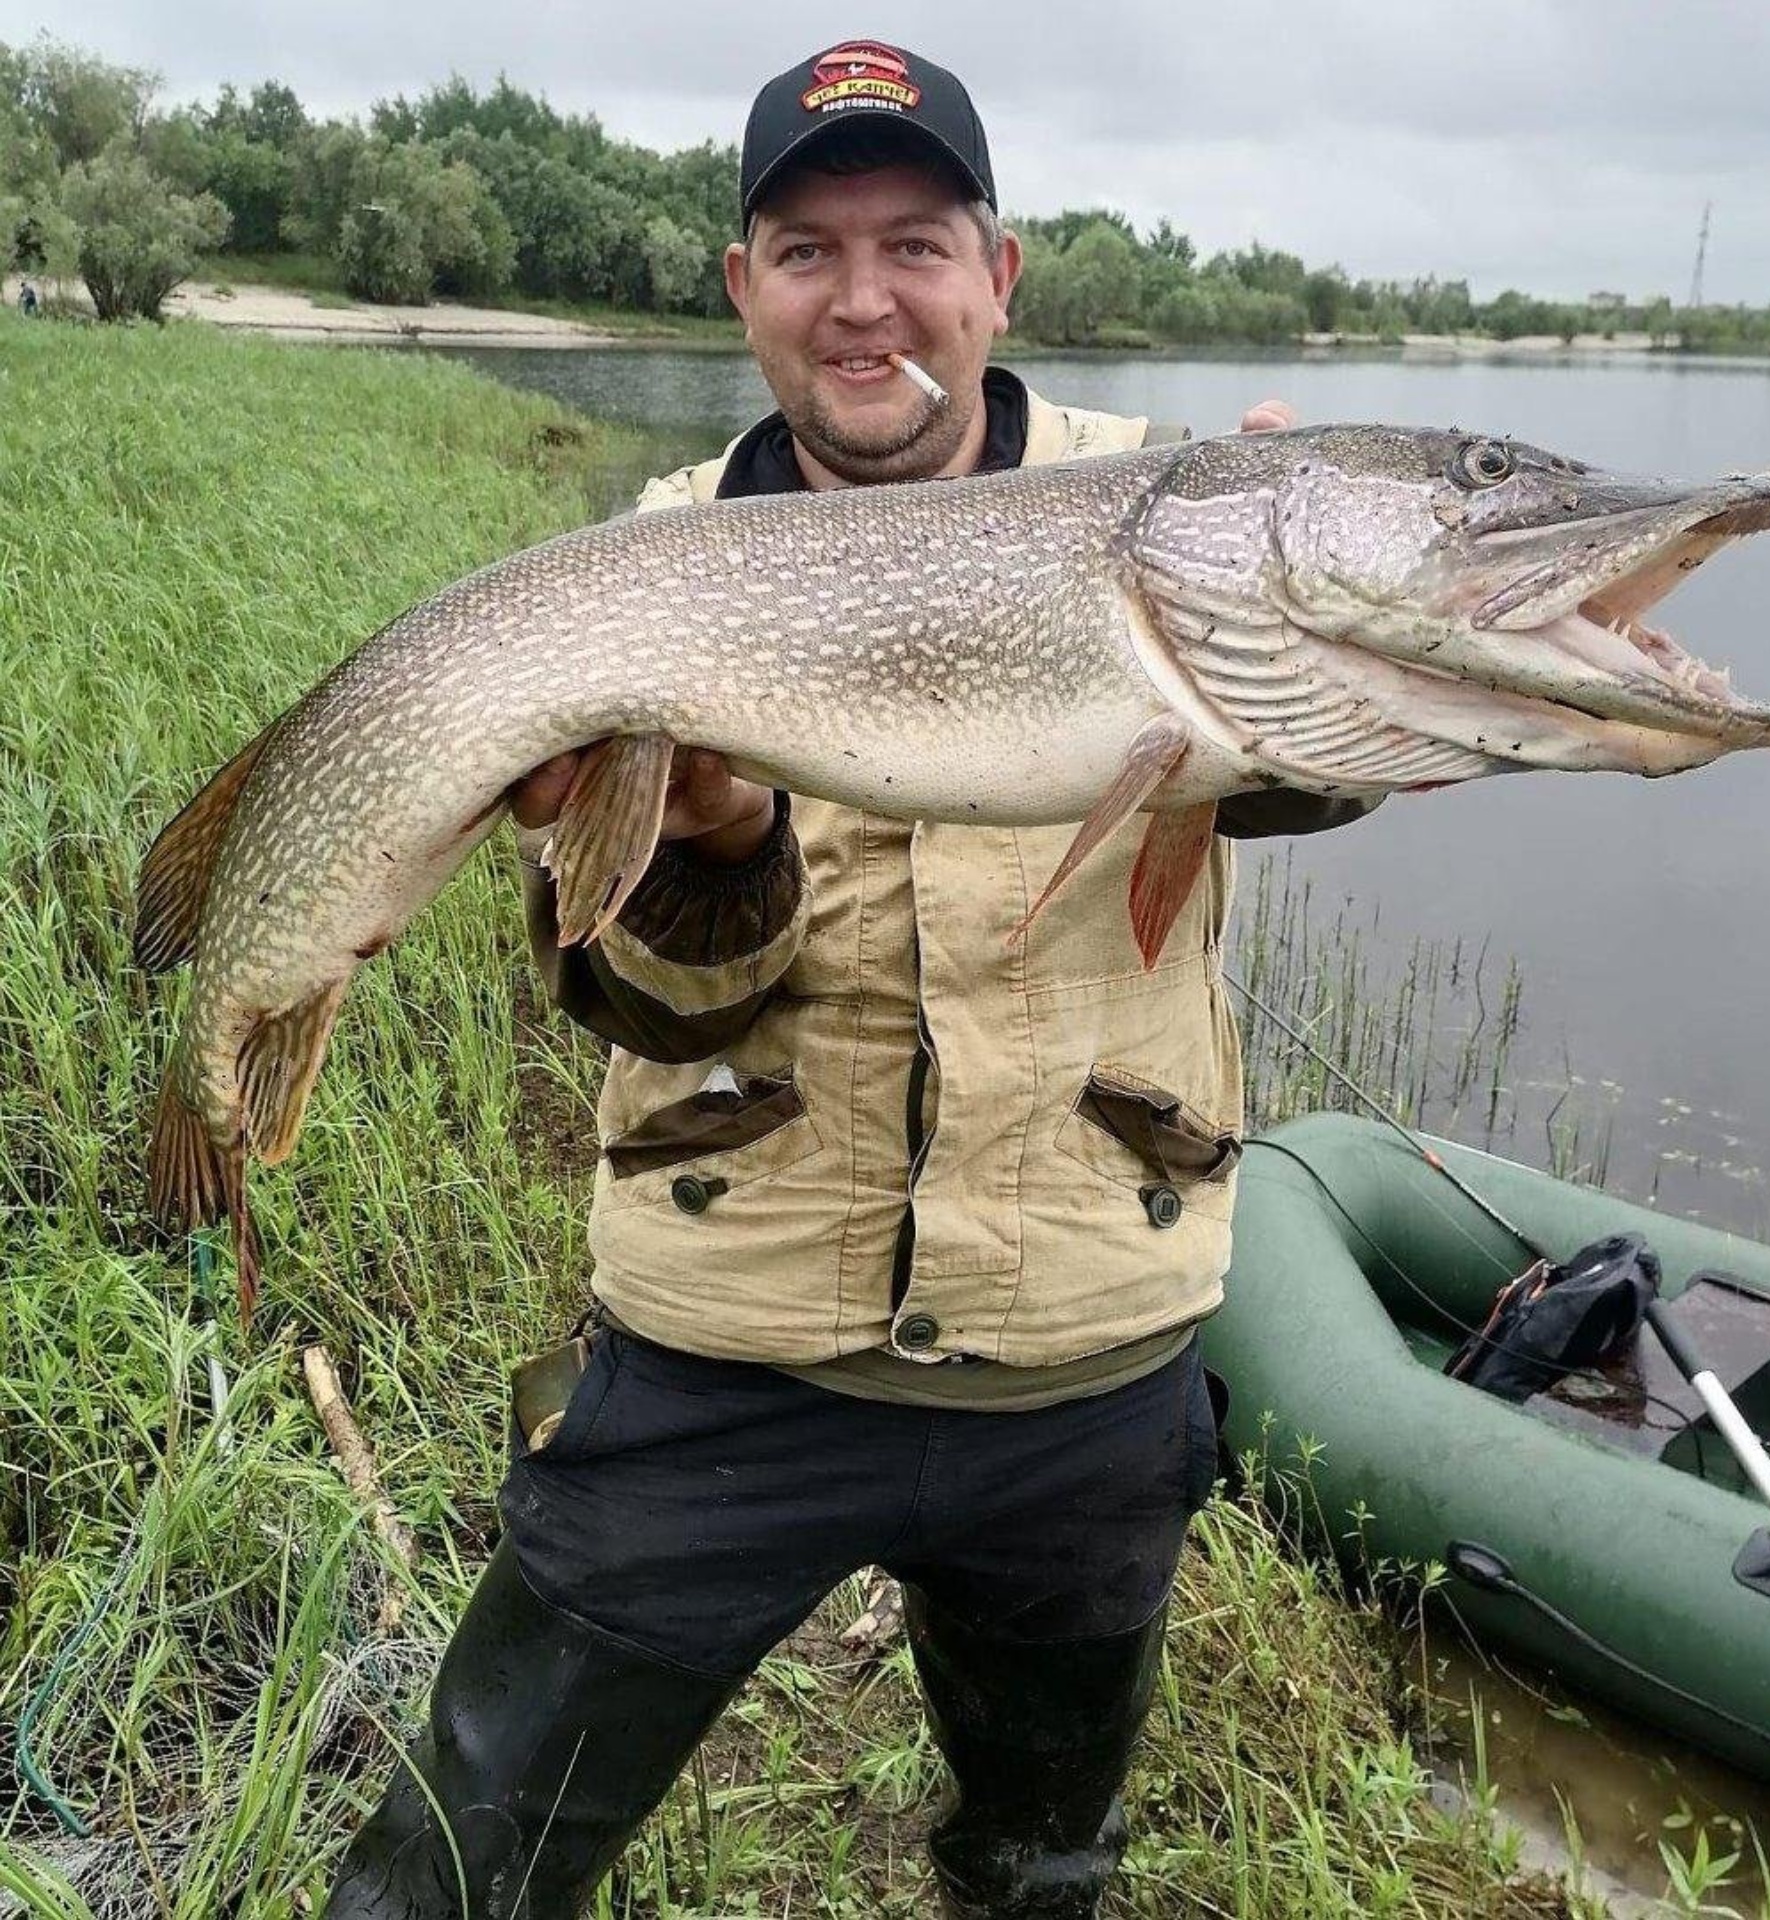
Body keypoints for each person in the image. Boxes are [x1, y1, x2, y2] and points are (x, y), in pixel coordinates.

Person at [325, 40, 1377, 1920]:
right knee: (449, 1872)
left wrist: (1315, 578)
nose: (866, 297)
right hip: (726, 1355)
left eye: (915, 241)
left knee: (1042, 1868)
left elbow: (1307, 771)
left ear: (1002, 273)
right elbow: (647, 1005)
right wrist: (715, 848)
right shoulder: (645, 571)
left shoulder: (1172, 514)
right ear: (743, 289)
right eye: (808, 250)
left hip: (1085, 1356)